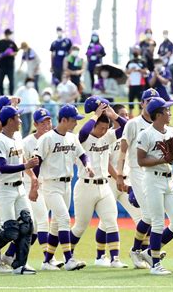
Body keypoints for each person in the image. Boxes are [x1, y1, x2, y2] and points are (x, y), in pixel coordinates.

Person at [137, 97, 173, 275]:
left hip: (168, 180)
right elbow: (141, 160)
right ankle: (155, 264)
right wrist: (162, 159)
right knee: (157, 222)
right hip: (152, 180)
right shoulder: (146, 134)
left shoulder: (171, 131)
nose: (170, 113)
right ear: (159, 114)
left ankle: (149, 252)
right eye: (167, 110)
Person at [70, 101, 128, 268]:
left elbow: (126, 128)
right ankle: (69, 254)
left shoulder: (107, 137)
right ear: (94, 124)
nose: (104, 131)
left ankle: (115, 259)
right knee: (80, 226)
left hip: (104, 186)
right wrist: (96, 114)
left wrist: (113, 116)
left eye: (106, 128)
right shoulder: (83, 139)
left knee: (111, 220)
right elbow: (83, 131)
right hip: (85, 186)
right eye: (101, 128)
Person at [35, 104, 93, 271]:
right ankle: (69, 259)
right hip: (51, 185)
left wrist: (87, 165)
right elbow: (37, 162)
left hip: (67, 184)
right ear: (64, 120)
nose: (76, 123)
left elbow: (83, 154)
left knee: (56, 223)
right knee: (64, 219)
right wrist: (34, 184)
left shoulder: (72, 137)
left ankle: (47, 261)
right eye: (74, 120)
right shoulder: (46, 138)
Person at [0, 106, 39, 274]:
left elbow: (22, 157)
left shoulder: (18, 136)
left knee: (28, 225)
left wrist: (30, 172)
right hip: (3, 189)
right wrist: (25, 165)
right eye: (17, 117)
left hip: (19, 188)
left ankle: (19, 265)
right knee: (10, 231)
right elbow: (3, 167)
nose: (20, 120)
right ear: (10, 120)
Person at [116, 89, 160, 270]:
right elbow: (123, 151)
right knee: (149, 214)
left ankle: (142, 250)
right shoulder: (133, 124)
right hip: (137, 170)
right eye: (148, 100)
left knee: (153, 214)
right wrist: (120, 174)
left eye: (154, 100)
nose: (151, 103)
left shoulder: (159, 125)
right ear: (142, 103)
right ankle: (144, 251)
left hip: (154, 172)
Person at [21, 108, 62, 271]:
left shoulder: (54, 138)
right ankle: (48, 259)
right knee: (43, 220)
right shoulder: (27, 142)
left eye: (49, 121)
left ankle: (10, 255)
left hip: (49, 185)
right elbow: (23, 165)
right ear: (35, 124)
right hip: (31, 185)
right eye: (43, 122)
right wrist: (33, 183)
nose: (47, 125)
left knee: (37, 227)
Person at [102, 104, 143, 266]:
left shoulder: (131, 134)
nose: (125, 117)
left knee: (141, 217)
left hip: (127, 180)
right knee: (107, 221)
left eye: (127, 114)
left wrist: (126, 181)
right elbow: (105, 162)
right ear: (113, 116)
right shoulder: (109, 135)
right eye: (122, 114)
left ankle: (140, 256)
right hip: (112, 181)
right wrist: (118, 178)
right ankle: (102, 257)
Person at [0, 28, 18, 95]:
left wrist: (11, 54)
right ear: (6, 34)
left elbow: (16, 52)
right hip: (2, 65)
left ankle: (11, 95)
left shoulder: (12, 43)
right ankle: (1, 95)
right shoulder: (0, 42)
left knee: (11, 81)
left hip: (10, 66)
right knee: (0, 81)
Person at [126, 46, 149, 117]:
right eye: (134, 50)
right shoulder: (130, 62)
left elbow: (146, 71)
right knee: (130, 100)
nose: (135, 51)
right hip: (131, 84)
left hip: (140, 84)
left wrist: (139, 70)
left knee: (140, 100)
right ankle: (130, 116)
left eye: (137, 50)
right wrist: (131, 70)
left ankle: (140, 115)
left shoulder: (142, 61)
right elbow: (126, 71)